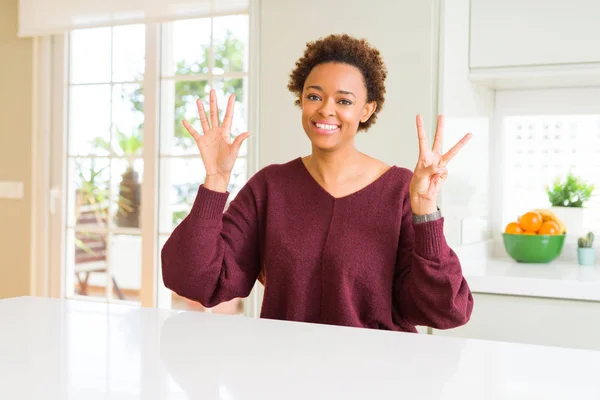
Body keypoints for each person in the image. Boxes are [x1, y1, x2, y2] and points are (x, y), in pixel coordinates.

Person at [161, 33, 474, 332]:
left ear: (367, 110)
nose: (326, 109)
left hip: (377, 377)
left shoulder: (401, 190)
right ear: (301, 101)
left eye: (344, 101)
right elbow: (194, 280)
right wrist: (214, 183)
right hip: (286, 375)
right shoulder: (270, 187)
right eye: (314, 96)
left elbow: (446, 310)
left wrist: (426, 213)